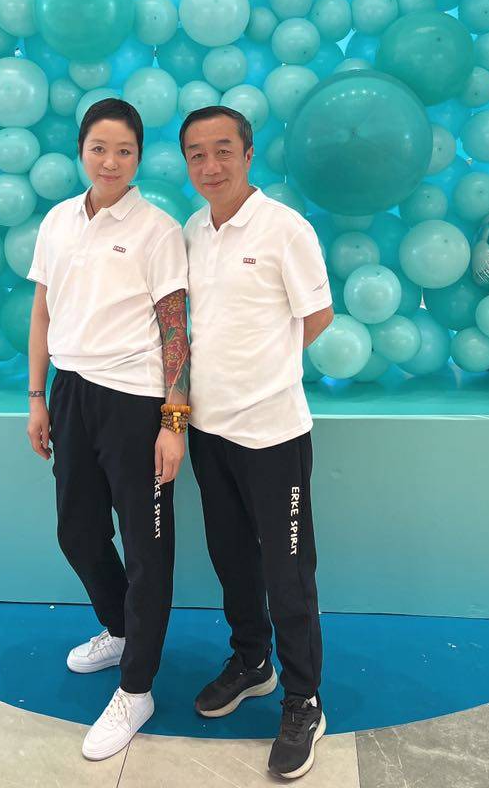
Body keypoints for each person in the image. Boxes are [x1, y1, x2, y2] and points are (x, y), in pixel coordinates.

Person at [26, 97, 190, 762]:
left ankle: (137, 688)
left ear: (139, 157)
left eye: (124, 151)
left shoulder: (158, 230)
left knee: (148, 549)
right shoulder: (58, 221)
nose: (111, 161)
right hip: (70, 392)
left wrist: (174, 421)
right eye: (99, 148)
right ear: (81, 151)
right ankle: (121, 630)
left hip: (135, 402)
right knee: (78, 531)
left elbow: (176, 329)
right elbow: (42, 310)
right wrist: (37, 396)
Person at [180, 105, 334, 780]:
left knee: (288, 573)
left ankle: (304, 699)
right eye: (197, 154)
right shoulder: (193, 230)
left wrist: (267, 371)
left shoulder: (284, 228)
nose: (210, 165)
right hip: (208, 431)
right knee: (232, 559)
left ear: (248, 154)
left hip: (273, 434)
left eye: (223, 150)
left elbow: (318, 314)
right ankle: (252, 662)